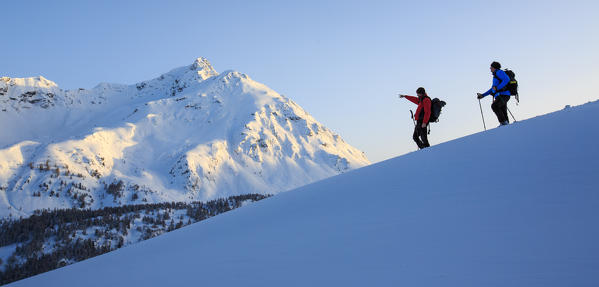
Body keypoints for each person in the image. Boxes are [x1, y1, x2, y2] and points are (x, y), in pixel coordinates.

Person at [477, 61, 511, 125]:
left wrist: (497, 88)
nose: (490, 69)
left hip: (504, 95)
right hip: (502, 95)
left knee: (495, 106)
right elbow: (492, 89)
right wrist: (483, 95)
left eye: (491, 67)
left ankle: (503, 123)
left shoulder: (499, 72)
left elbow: (507, 79)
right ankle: (507, 126)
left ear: (495, 67)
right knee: (503, 110)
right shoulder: (495, 75)